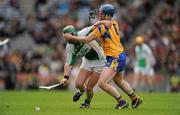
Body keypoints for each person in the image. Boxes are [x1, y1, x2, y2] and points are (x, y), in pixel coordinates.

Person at [63, 4, 143, 109]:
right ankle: (134, 99)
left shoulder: (101, 27)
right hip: (119, 55)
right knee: (119, 81)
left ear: (107, 15)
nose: (99, 15)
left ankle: (121, 102)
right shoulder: (114, 23)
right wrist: (99, 22)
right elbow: (108, 23)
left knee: (102, 83)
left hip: (115, 57)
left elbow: (87, 39)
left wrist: (73, 37)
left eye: (101, 13)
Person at [59, 25, 106, 108]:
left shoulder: (83, 32)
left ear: (73, 33)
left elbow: (95, 26)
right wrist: (65, 77)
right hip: (87, 61)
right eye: (65, 37)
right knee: (78, 84)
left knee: (89, 87)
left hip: (100, 61)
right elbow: (68, 63)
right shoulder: (69, 47)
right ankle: (81, 91)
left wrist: (104, 23)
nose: (66, 39)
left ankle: (87, 102)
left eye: (68, 36)